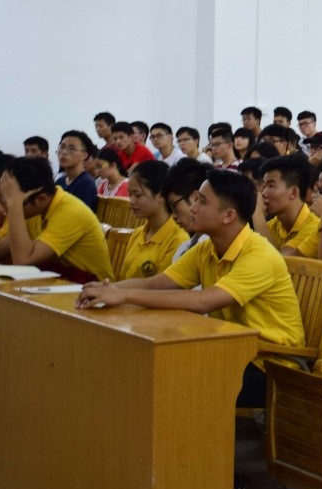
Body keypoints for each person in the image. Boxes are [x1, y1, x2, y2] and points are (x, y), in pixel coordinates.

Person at [77, 168, 303, 410]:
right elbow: (157, 283)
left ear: (228, 216)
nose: (193, 208)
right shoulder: (207, 248)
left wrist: (124, 295)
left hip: (272, 366)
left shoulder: (260, 255)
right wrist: (107, 289)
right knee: (147, 365)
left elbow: (202, 301)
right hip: (233, 352)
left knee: (174, 380)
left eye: (202, 201)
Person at [118, 160, 189, 280]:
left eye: (138, 195)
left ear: (160, 195)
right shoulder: (138, 233)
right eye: (130, 194)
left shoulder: (177, 240)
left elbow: (159, 287)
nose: (131, 201)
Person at [252, 153, 320, 258]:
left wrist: (257, 213)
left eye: (271, 186)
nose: (263, 193)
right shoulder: (273, 225)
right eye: (264, 186)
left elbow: (279, 261)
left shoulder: (314, 227)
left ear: (293, 192)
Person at [55, 130, 98, 211]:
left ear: (84, 155)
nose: (64, 152)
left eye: (71, 149)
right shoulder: (60, 181)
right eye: (62, 147)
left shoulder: (85, 183)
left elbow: (77, 216)